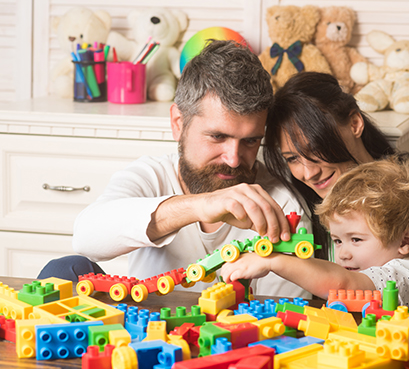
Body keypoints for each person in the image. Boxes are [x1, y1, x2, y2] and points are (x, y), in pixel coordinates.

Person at [39, 40, 312, 298]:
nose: (233, 159)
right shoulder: (151, 176)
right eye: (217, 137)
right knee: (64, 271)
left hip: (232, 338)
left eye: (251, 141)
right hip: (141, 334)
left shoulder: (282, 204)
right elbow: (86, 238)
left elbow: (280, 325)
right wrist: (199, 206)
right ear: (178, 123)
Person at [259, 72, 409, 311]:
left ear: (355, 124)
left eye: (316, 148)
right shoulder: (313, 209)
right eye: (293, 158)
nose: (308, 173)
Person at [222, 157, 409, 310]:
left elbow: (344, 285)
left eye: (356, 239)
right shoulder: (365, 276)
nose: (343, 254)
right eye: (337, 240)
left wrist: (274, 261)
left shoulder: (404, 276)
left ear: (405, 241)